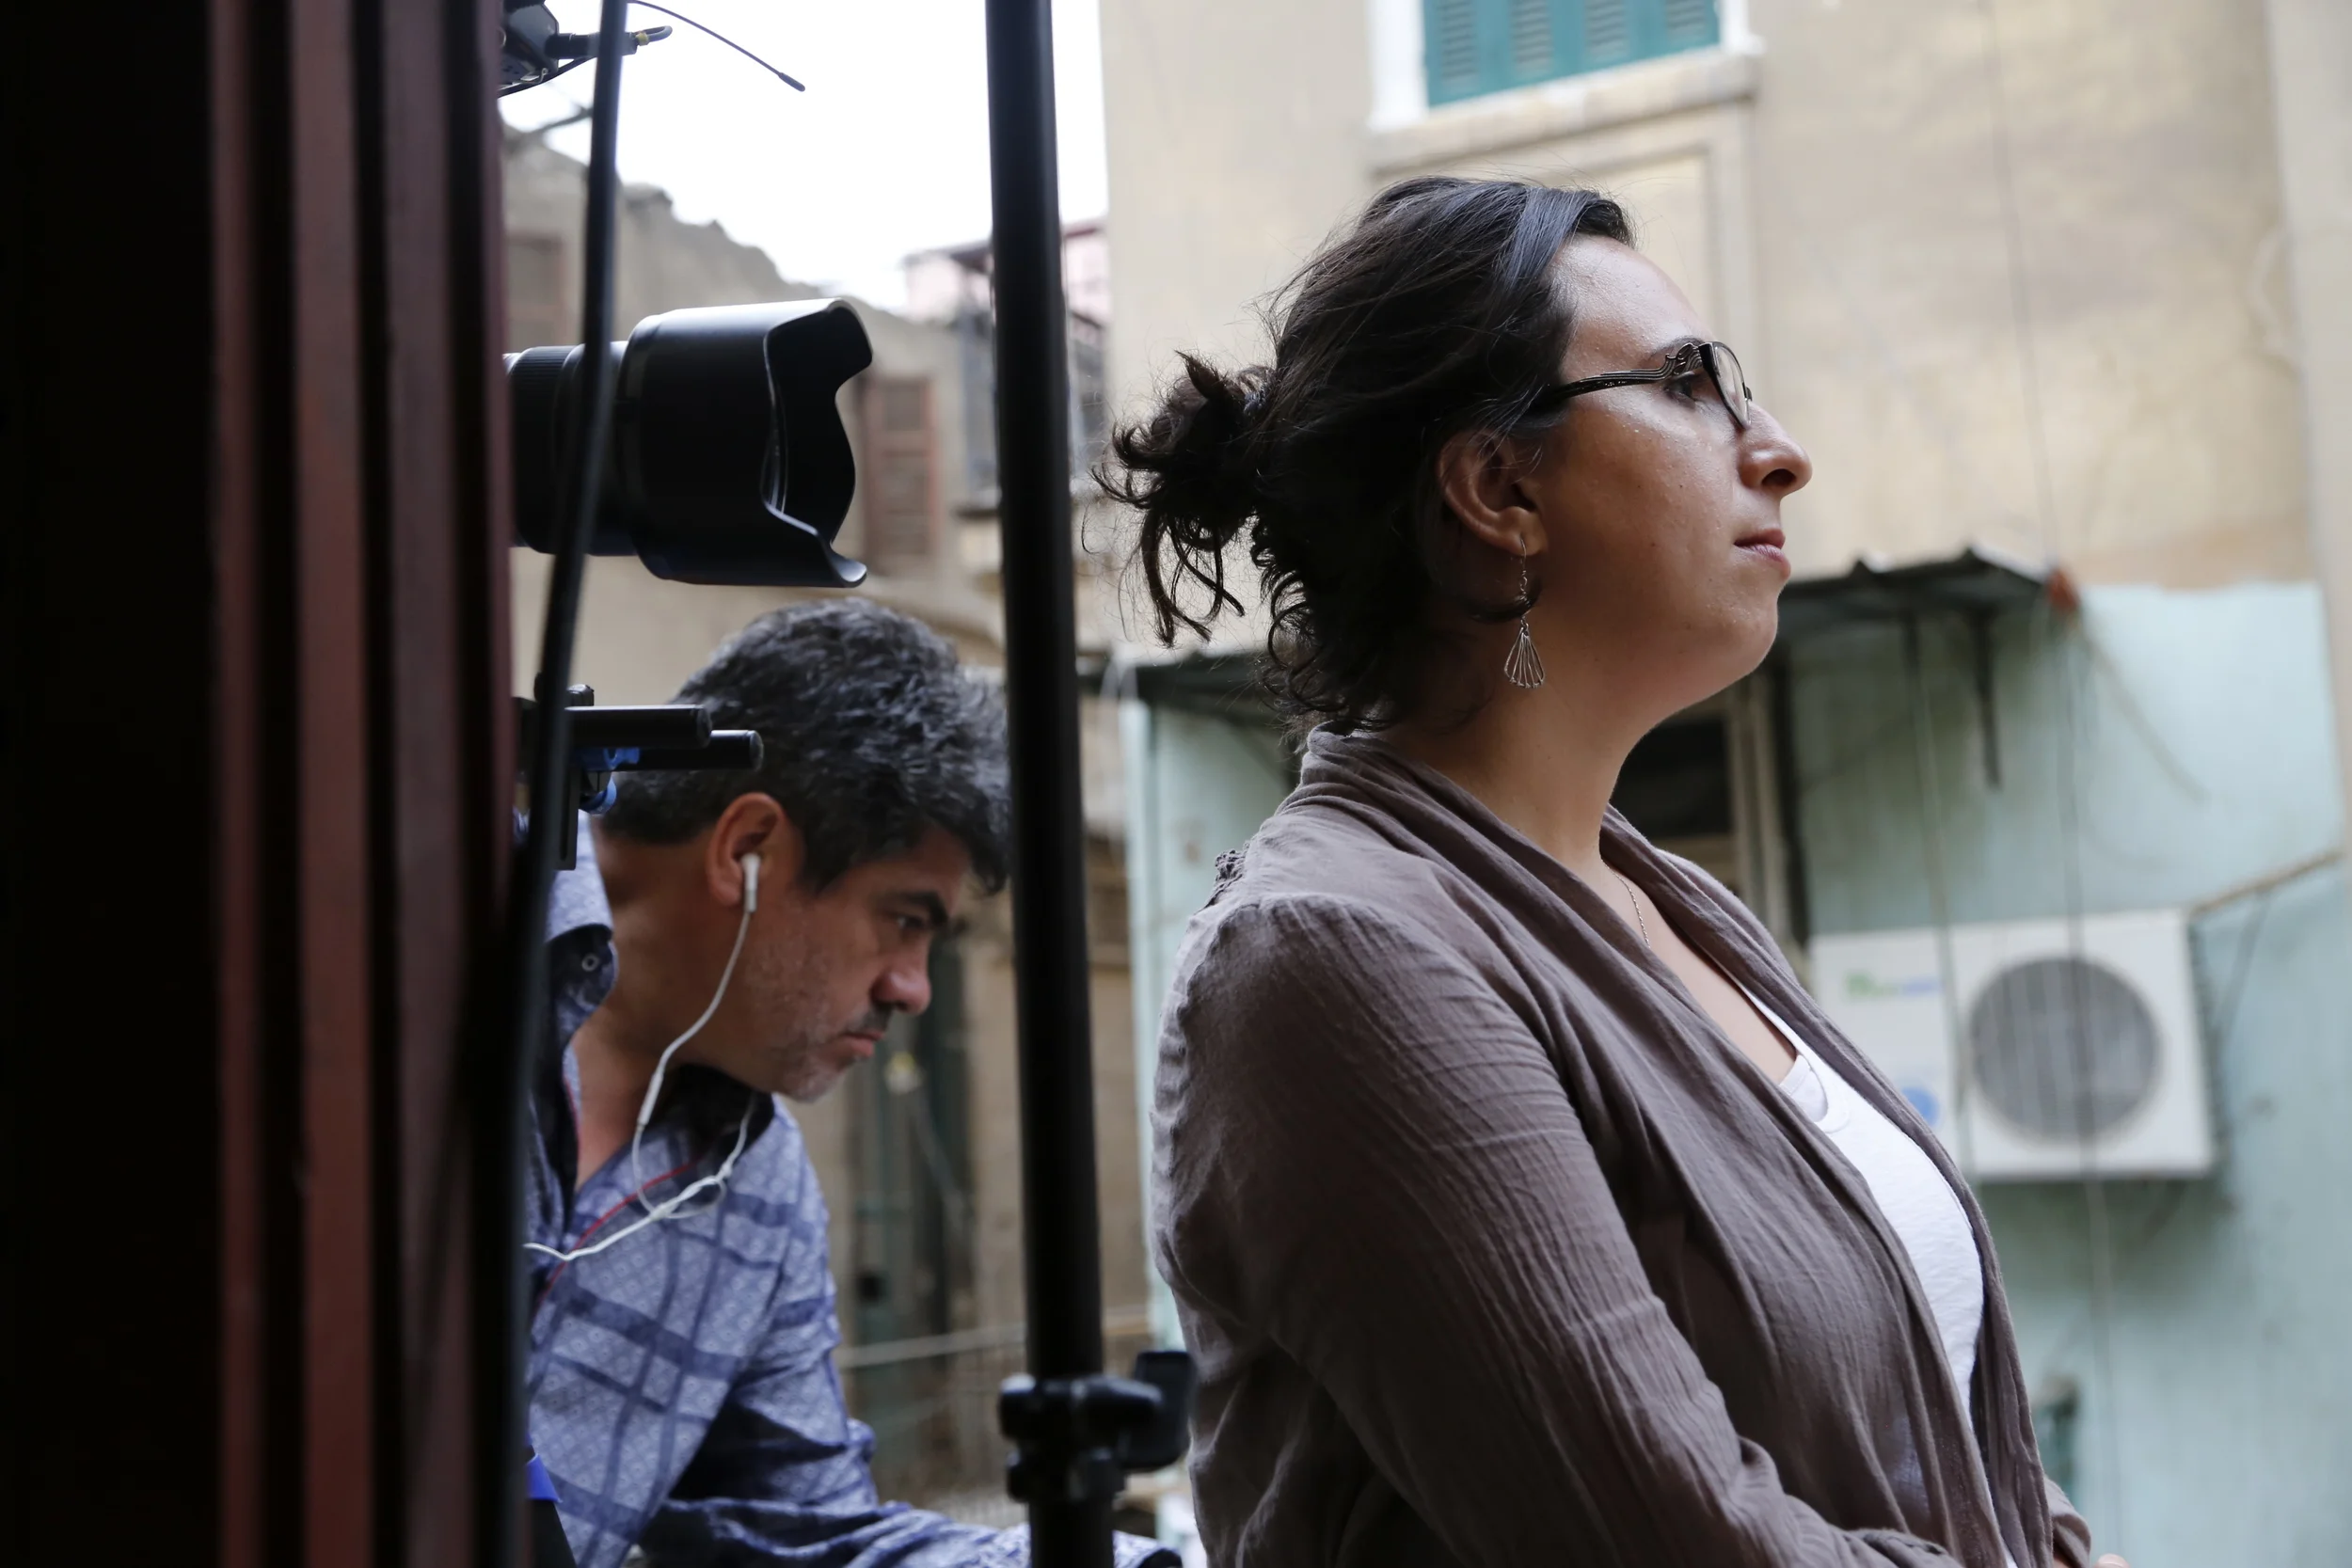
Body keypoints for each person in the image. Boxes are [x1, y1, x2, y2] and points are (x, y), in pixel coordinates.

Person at [1108, 177, 2130, 1568]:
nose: (1777, 451)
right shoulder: (1337, 956)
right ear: (1499, 486)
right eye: (1695, 385)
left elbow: (1958, 1443)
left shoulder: (1677, 907)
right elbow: (1681, 1540)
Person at [529, 598, 1171, 1568]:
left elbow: (803, 1534)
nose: (910, 988)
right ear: (746, 849)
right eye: (903, 919)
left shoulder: (755, 1196)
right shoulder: (409, 925)